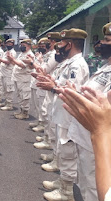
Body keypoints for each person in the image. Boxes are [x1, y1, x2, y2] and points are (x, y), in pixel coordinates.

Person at [57, 22, 111, 201]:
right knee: (86, 185)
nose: (102, 43)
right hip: (87, 138)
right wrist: (75, 92)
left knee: (95, 190)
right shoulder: (105, 68)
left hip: (99, 142)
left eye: (108, 40)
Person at [37, 28, 89, 200]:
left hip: (69, 115)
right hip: (62, 112)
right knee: (61, 148)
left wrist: (52, 87)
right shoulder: (68, 62)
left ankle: (66, 192)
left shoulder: (77, 65)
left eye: (61, 43)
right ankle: (62, 182)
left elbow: (72, 91)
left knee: (67, 152)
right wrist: (52, 82)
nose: (59, 46)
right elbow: (62, 84)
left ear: (70, 44)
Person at [59, 88, 111, 201]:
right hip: (89, 141)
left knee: (93, 190)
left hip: (99, 145)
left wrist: (100, 131)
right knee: (84, 185)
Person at [8, 39, 35, 120]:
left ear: (29, 46)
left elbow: (22, 65)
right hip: (18, 78)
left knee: (24, 96)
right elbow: (16, 63)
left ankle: (25, 113)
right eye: (21, 45)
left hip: (24, 79)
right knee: (19, 95)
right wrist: (12, 60)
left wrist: (12, 59)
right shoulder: (22, 54)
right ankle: (21, 111)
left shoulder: (29, 55)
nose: (22, 47)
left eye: (24, 46)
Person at [0, 38, 16, 111]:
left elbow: (8, 62)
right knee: (4, 88)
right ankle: (6, 102)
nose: (9, 45)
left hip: (9, 73)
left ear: (13, 45)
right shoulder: (7, 52)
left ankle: (9, 104)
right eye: (8, 44)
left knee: (9, 89)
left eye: (10, 44)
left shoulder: (12, 52)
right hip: (4, 73)